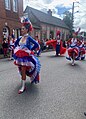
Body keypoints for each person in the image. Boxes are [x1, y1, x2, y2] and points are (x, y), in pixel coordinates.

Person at [13, 17, 41, 94]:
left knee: (23, 69)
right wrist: (17, 48)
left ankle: (23, 86)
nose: (21, 30)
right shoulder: (20, 38)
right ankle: (23, 83)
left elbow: (36, 44)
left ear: (27, 30)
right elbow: (15, 44)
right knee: (21, 70)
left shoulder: (29, 38)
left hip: (26, 58)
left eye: (23, 29)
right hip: (20, 56)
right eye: (21, 29)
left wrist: (30, 50)